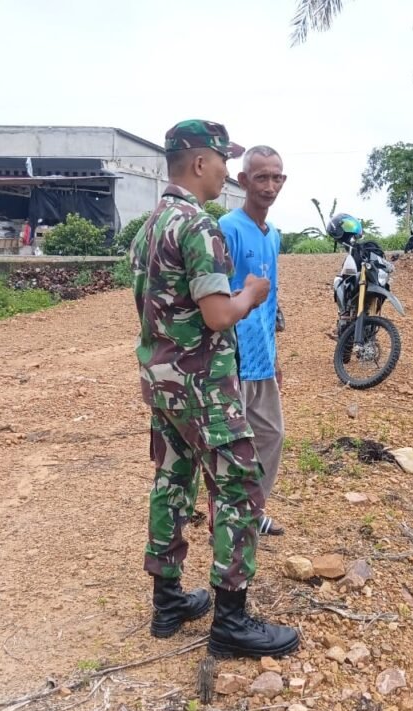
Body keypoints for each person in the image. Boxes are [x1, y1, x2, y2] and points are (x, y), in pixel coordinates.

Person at [129, 119, 299, 659]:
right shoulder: (199, 227)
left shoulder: (149, 226)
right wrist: (250, 293)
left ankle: (168, 600)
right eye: (223, 160)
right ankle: (231, 619)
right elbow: (218, 313)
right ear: (200, 163)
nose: (228, 170)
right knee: (242, 487)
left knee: (172, 482)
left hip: (163, 382)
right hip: (203, 383)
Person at [218, 146, 288, 537]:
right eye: (261, 177)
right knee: (233, 448)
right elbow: (214, 293)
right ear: (243, 181)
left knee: (271, 436)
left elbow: (271, 295)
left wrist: (275, 355)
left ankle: (252, 509)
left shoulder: (273, 234)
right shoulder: (227, 227)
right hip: (232, 356)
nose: (270, 185)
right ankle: (229, 521)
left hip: (261, 357)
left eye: (276, 177)